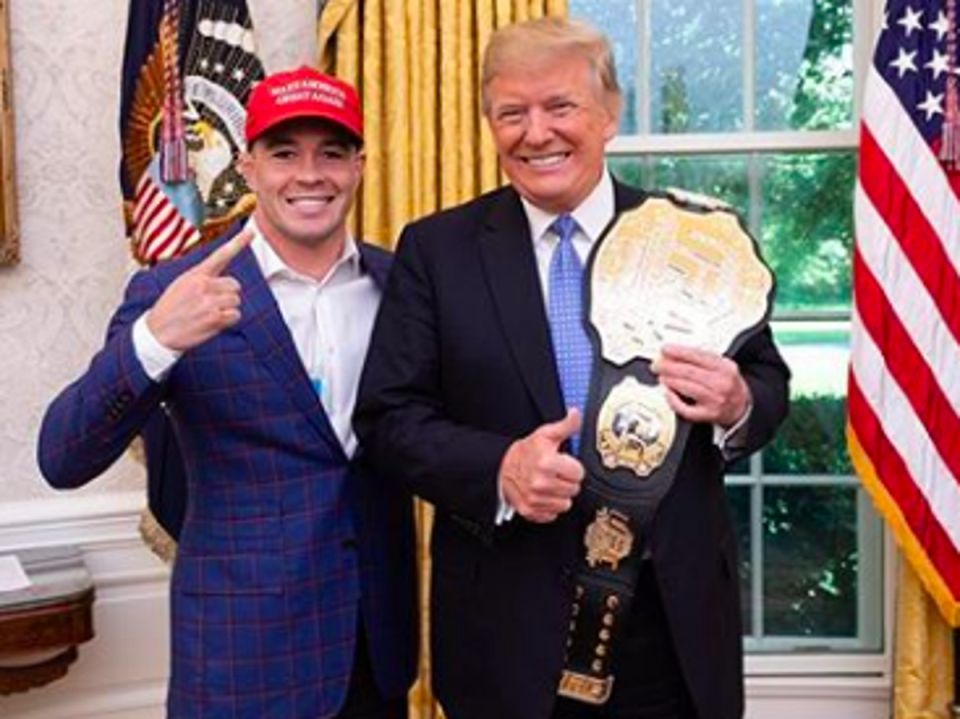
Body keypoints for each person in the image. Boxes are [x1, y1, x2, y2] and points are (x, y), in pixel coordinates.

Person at [354, 17, 790, 719]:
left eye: (560, 107)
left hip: (667, 622)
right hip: (507, 631)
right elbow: (388, 419)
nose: (536, 132)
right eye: (512, 113)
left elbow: (771, 388)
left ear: (610, 114)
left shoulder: (689, 238)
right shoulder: (438, 250)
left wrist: (738, 401)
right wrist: (499, 467)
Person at [38, 66, 417, 719]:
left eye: (331, 152)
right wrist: (154, 340)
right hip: (244, 660)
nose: (309, 174)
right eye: (283, 153)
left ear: (359, 165)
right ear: (246, 166)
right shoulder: (174, 292)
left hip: (372, 651)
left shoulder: (400, 284)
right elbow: (62, 456)